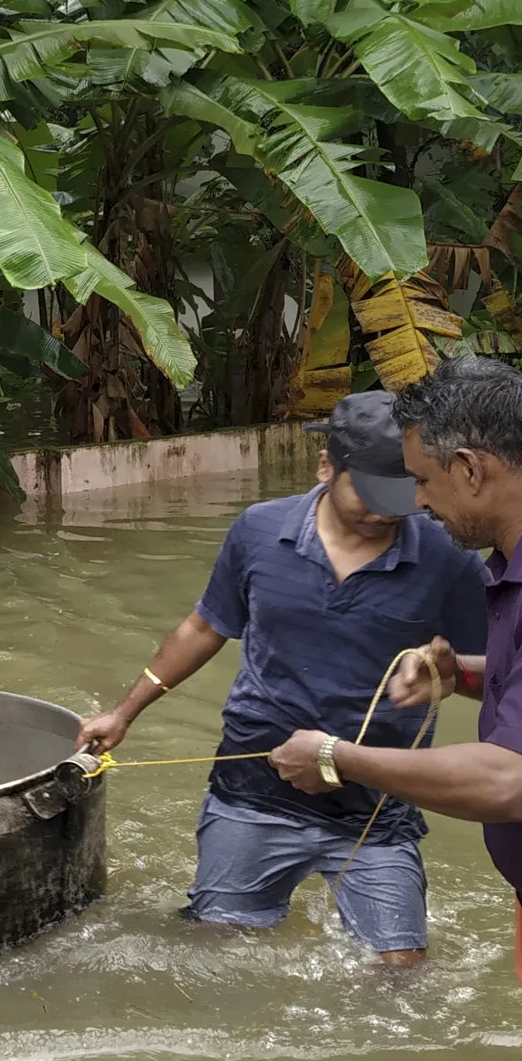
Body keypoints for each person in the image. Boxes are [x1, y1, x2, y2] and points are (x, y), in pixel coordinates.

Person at [76, 392, 488, 964]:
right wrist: (124, 712)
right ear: (326, 466)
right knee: (218, 955)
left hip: (375, 808)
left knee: (400, 974)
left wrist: (449, 671)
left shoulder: (450, 556)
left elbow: (497, 672)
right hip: (256, 791)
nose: (387, 513)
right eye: (370, 495)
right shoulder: (259, 531)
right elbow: (204, 626)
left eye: (405, 496)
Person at [270, 360, 522, 952]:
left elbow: (508, 780)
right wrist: (459, 674)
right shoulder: (506, 566)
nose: (420, 503)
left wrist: (338, 757)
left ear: (469, 468)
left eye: (424, 481)